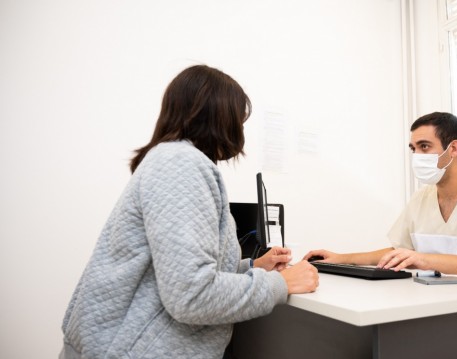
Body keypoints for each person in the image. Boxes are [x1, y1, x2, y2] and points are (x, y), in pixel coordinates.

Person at [59, 65, 319, 359]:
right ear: (219, 115)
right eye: (239, 119)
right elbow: (192, 296)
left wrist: (251, 268)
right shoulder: (180, 164)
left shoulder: (172, 160)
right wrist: (280, 284)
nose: (240, 129)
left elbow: (174, 274)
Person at [304, 112, 457, 280]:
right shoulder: (422, 197)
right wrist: (340, 258)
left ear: (453, 149)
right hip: (433, 307)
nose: (417, 156)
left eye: (424, 147)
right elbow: (398, 252)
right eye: (413, 149)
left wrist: (425, 260)